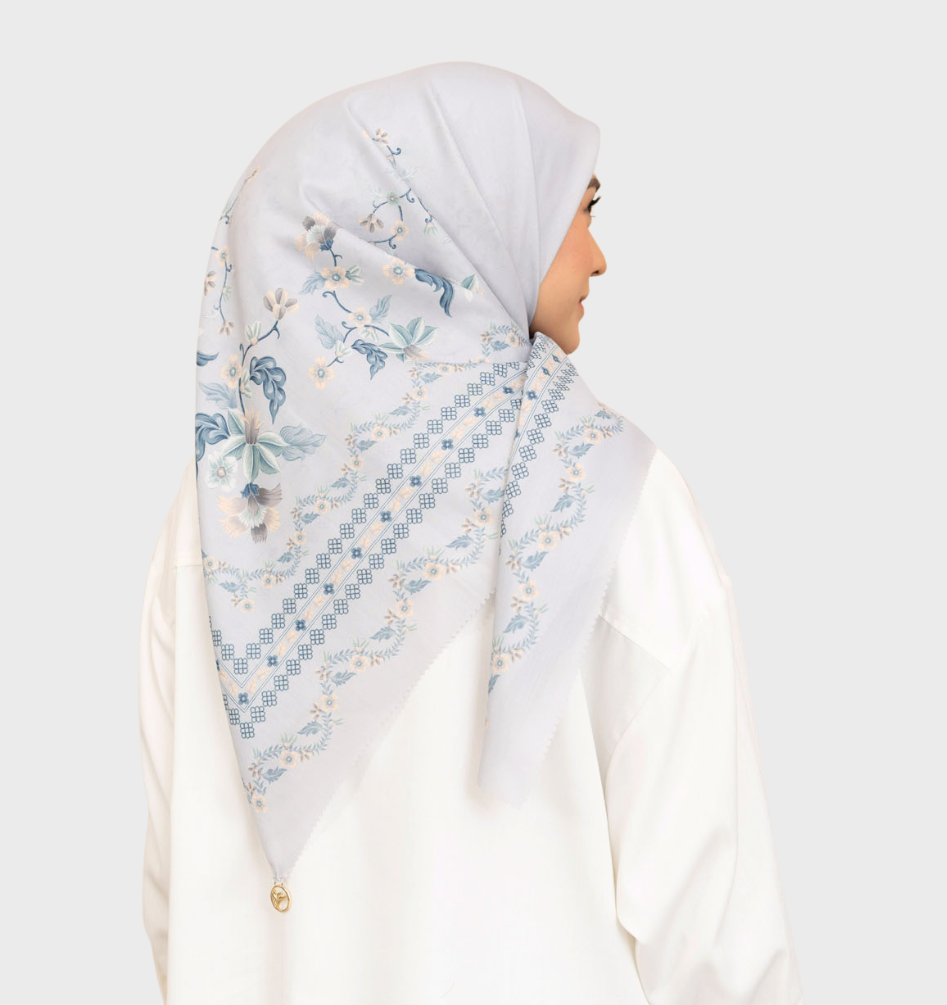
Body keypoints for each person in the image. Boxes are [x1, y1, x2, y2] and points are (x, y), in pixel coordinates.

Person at [138, 62, 804, 1003]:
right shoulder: (609, 494)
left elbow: (178, 897)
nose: (597, 257)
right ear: (464, 216)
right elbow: (717, 945)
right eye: (579, 209)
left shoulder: (218, 517)